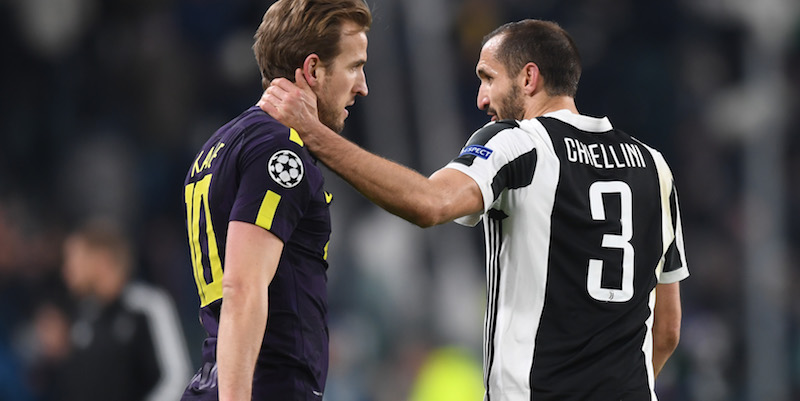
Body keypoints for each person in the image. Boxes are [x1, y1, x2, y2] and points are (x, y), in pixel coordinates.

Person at [260, 19, 689, 400]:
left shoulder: (519, 142)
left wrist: (313, 133)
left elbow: (431, 202)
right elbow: (667, 329)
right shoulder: (655, 166)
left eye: (488, 78)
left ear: (529, 78)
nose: (482, 99)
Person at [179, 1, 371, 400]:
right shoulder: (279, 151)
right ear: (313, 70)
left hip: (218, 377)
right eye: (354, 67)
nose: (362, 86)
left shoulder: (220, 145)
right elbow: (242, 287)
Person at [60, 219, 192, 401]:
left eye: (74, 258)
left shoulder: (149, 306)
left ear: (101, 259)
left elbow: (177, 379)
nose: (67, 269)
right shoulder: (83, 316)